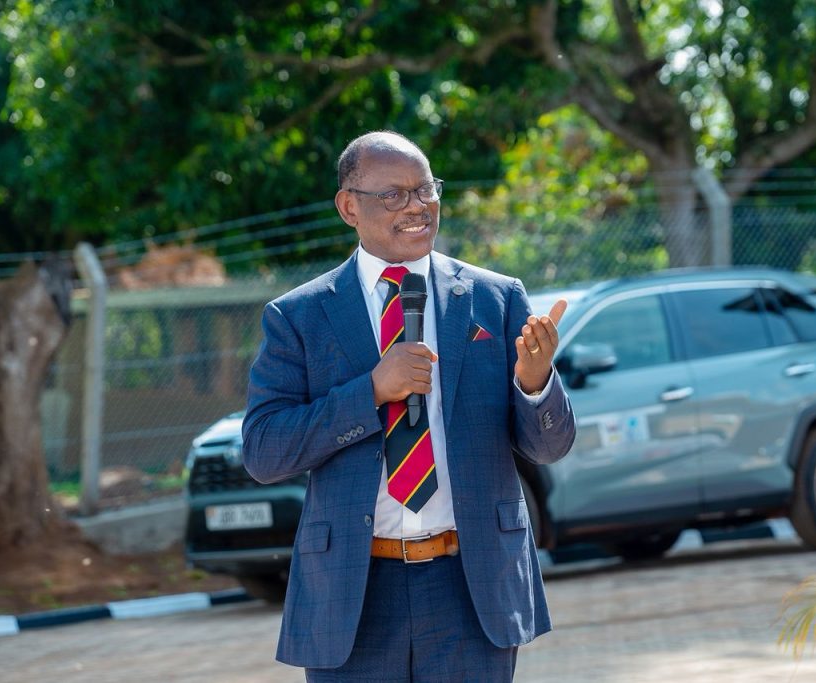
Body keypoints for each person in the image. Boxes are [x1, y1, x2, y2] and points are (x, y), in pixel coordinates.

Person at [241, 130, 576, 682]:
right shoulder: (298, 317)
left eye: (425, 189)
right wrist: (370, 391)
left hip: (471, 586)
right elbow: (263, 451)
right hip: (354, 594)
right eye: (393, 195)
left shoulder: (495, 298)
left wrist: (535, 382)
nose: (417, 206)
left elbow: (549, 447)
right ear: (349, 207)